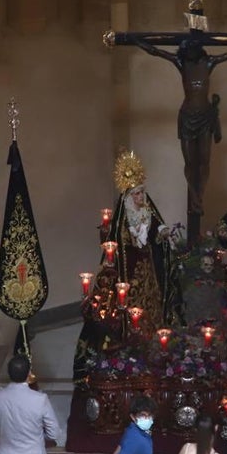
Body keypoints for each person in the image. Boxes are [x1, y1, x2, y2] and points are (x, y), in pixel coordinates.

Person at [108, 0, 227, 241]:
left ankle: (198, 198)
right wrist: (129, 39)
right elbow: (156, 50)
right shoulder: (182, 63)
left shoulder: (208, 62)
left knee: (204, 162)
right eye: (188, 46)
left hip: (205, 118)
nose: (191, 48)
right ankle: (195, 198)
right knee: (190, 163)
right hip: (187, 117)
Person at [73, 152, 183, 380]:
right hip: (129, 271)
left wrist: (161, 233)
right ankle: (130, 337)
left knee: (151, 300)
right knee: (129, 302)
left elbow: (156, 229)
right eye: (137, 193)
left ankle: (152, 335)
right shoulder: (124, 216)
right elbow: (117, 242)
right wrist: (130, 238)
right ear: (130, 195)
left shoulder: (147, 210)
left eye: (142, 192)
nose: (141, 196)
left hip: (147, 267)